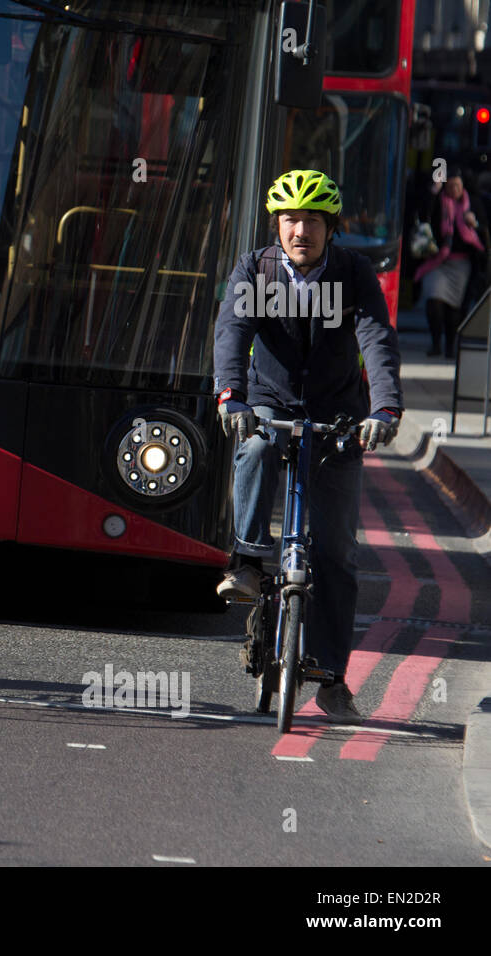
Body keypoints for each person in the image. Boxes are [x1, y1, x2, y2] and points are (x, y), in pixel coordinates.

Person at [213, 169, 404, 724]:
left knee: (338, 552)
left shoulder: (353, 273)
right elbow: (233, 332)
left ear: (330, 227)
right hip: (270, 402)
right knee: (252, 447)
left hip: (337, 415)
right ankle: (247, 560)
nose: (301, 230)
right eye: (291, 219)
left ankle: (332, 680)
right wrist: (232, 396)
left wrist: (384, 407)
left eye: (313, 220)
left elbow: (376, 337)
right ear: (278, 225)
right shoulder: (256, 269)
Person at [414, 172, 489, 357]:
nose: (453, 190)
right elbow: (423, 216)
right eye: (450, 186)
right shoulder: (438, 200)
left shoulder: (473, 203)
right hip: (437, 260)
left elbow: (484, 233)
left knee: (454, 308)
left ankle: (449, 345)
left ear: (463, 185)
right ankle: (436, 343)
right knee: (434, 301)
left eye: (457, 186)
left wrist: (474, 224)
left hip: (461, 262)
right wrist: (434, 192)